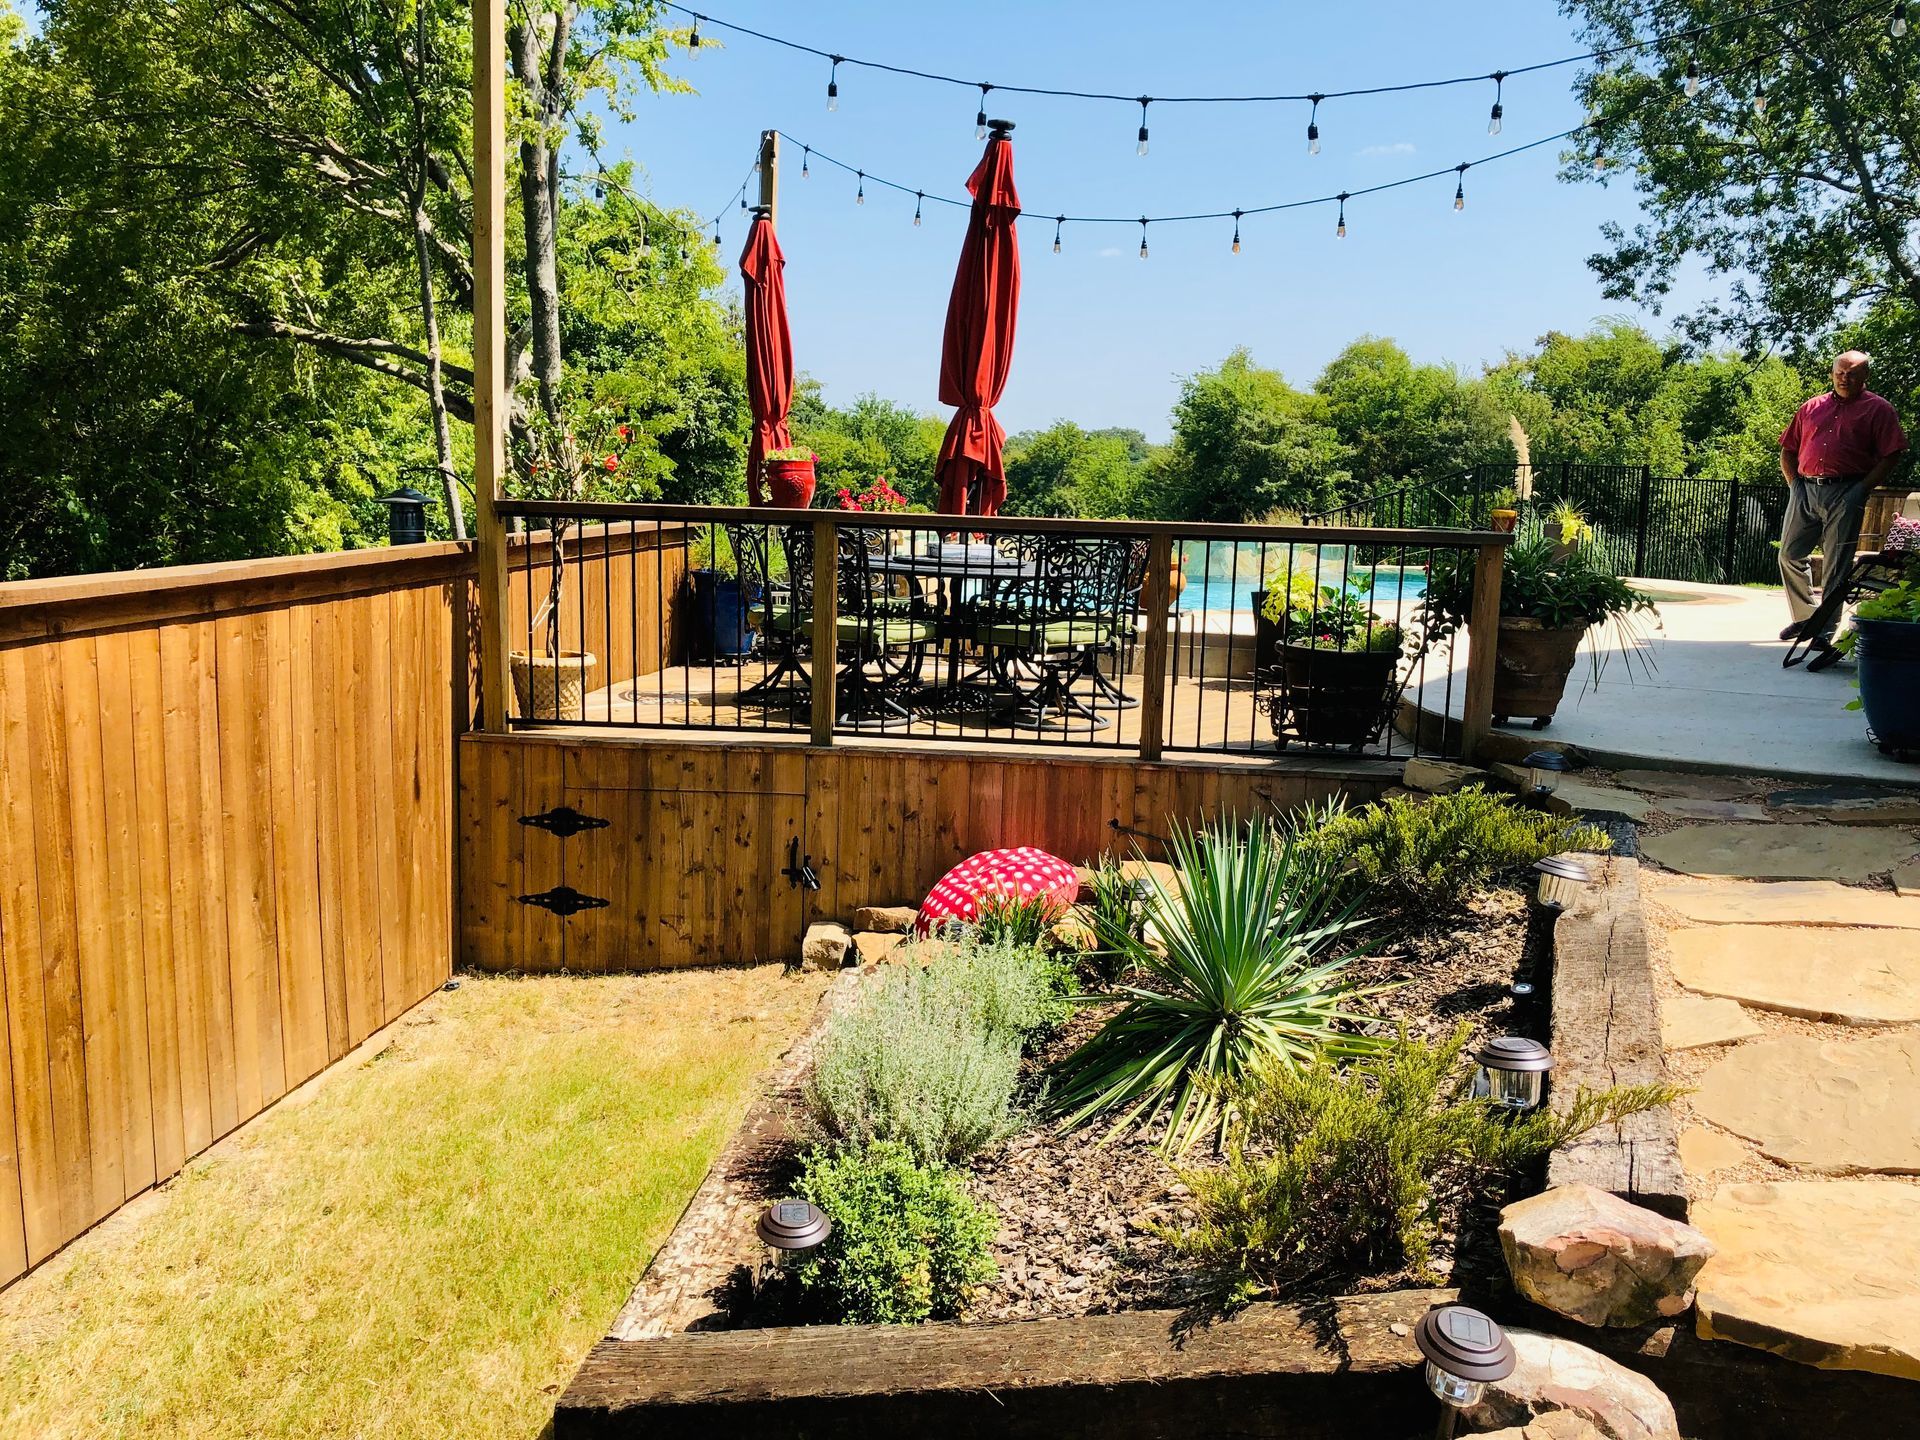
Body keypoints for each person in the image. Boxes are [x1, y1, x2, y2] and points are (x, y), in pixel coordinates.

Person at [1777, 350, 1908, 671]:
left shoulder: (1878, 410)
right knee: (1789, 555)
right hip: (1805, 489)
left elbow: (1892, 454)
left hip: (1847, 491)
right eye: (1839, 372)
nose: (1844, 377)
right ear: (1832, 373)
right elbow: (1788, 449)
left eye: (1851, 372)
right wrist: (1794, 484)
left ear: (1865, 377)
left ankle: (1823, 633)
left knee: (1837, 566)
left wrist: (1861, 490)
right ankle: (1807, 617)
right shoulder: (1811, 407)